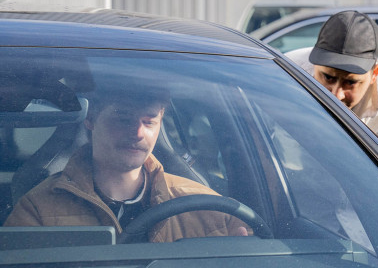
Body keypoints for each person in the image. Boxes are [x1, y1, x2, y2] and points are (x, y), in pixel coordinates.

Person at [5, 88, 250, 241]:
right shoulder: (37, 211)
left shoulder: (208, 207)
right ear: (90, 120)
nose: (137, 132)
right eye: (123, 118)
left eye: (149, 121)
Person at [285, 10, 378, 154]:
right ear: (314, 63)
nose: (336, 95)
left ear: (374, 74)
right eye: (328, 77)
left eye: (350, 82)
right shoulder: (286, 74)